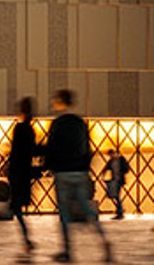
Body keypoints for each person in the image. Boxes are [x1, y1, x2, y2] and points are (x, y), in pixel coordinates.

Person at [45, 89, 111, 263]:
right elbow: (88, 149)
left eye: (55, 100)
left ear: (60, 102)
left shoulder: (57, 124)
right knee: (88, 211)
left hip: (63, 173)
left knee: (64, 214)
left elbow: (52, 148)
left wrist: (48, 167)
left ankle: (67, 250)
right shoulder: (81, 123)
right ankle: (104, 241)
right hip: (80, 173)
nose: (53, 103)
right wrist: (85, 168)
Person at [7, 97, 38, 256]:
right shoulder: (30, 130)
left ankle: (27, 240)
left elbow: (16, 152)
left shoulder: (19, 129)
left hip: (17, 172)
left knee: (17, 208)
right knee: (18, 208)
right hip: (24, 173)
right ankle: (27, 240)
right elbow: (32, 151)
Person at [104, 149, 130, 219]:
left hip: (119, 181)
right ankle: (120, 211)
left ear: (114, 153)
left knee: (117, 196)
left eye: (111, 155)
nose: (110, 156)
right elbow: (106, 167)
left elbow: (127, 168)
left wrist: (121, 172)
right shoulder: (112, 160)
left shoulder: (121, 159)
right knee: (116, 196)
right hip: (115, 180)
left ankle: (120, 212)